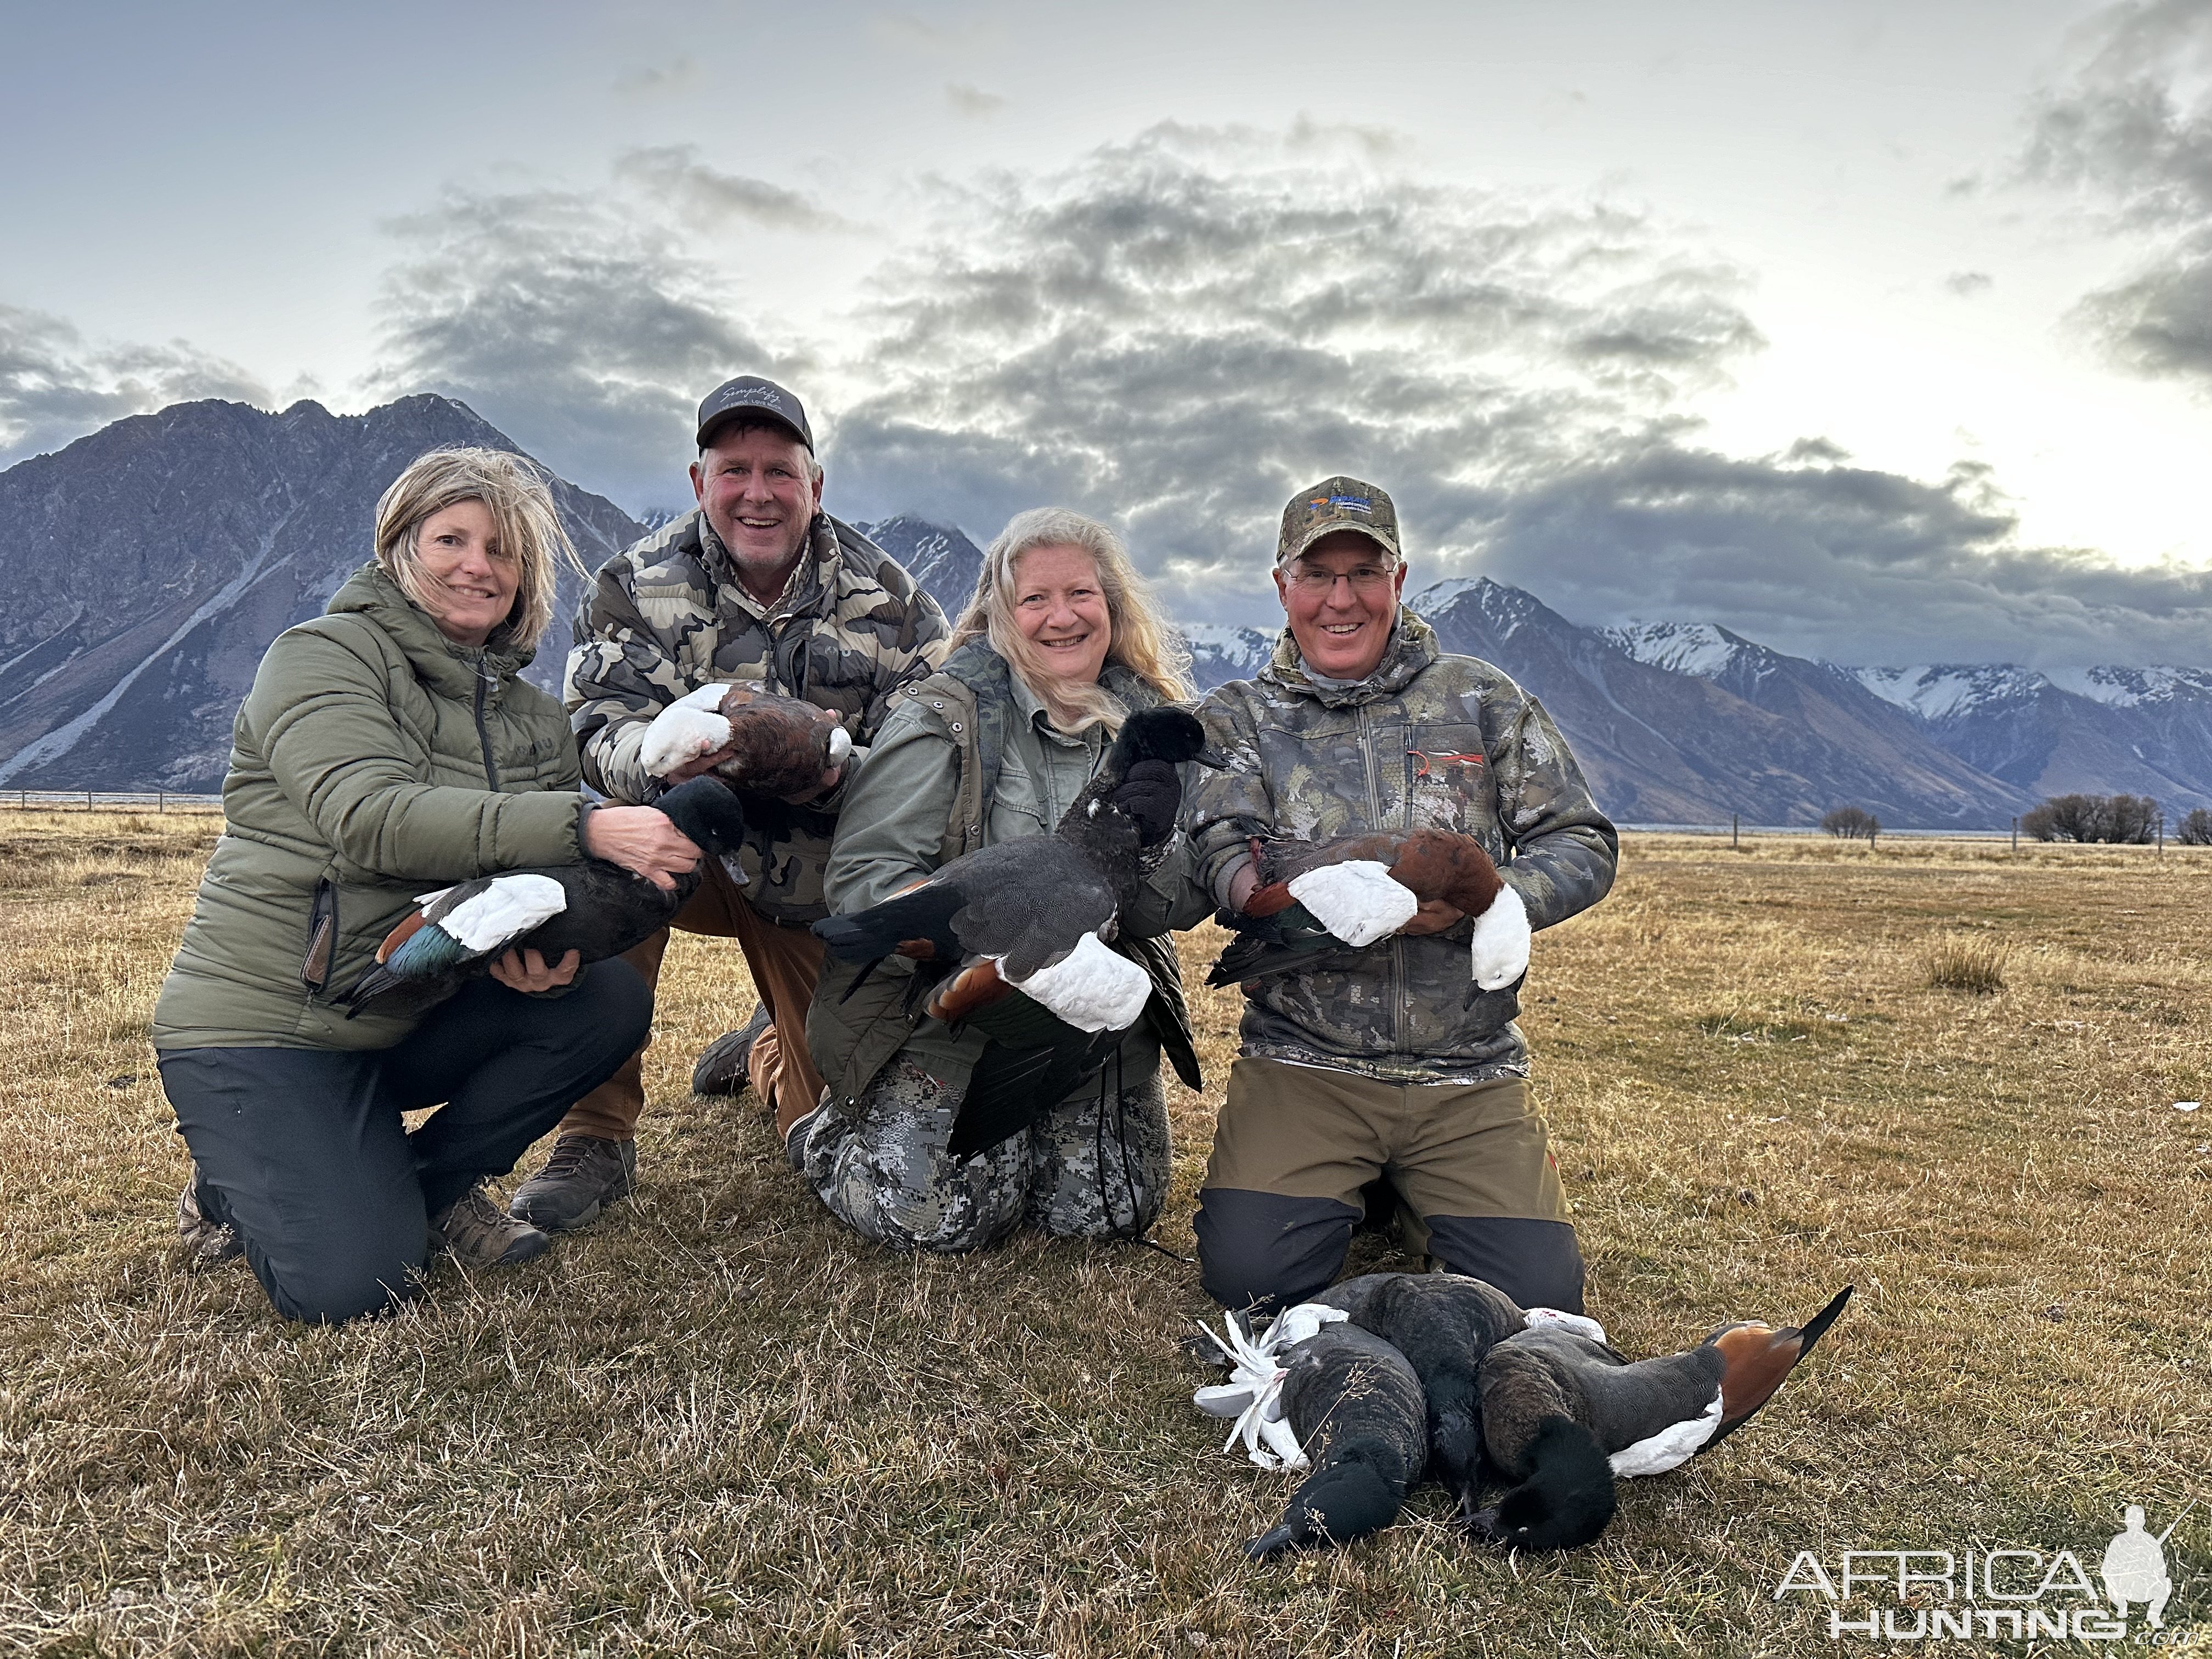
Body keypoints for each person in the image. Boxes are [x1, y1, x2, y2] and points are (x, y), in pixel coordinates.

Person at [153, 448, 697, 1323]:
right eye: (452, 538)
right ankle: (240, 1177)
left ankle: (417, 1188)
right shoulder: (322, 657)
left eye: (503, 549)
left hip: (404, 1005)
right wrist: (586, 826)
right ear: (401, 547)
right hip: (266, 1026)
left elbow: (515, 884)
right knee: (354, 1287)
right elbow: (372, 815)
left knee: (601, 1001)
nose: (478, 565)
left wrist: (528, 956)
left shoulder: (532, 718)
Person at [522, 376, 947, 1231]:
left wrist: (831, 766)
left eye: (780, 471)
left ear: (814, 485)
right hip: (685, 854)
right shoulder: (631, 585)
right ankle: (595, 1135)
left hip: (817, 878)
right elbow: (594, 726)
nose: (758, 493)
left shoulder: (894, 602)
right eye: (735, 470)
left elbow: (932, 762)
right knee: (604, 861)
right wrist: (659, 764)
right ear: (699, 480)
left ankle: (768, 1051)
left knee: (827, 1118)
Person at [1186, 476, 1617, 1314]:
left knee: (1532, 1300)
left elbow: (1582, 839)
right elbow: (1220, 844)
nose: (1340, 599)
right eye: (1317, 576)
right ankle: (1356, 1184)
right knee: (1249, 1279)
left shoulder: (1481, 699)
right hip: (1305, 1062)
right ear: (1283, 586)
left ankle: (1409, 1185)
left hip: (1467, 1068)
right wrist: (1272, 897)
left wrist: (1494, 898)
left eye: (1363, 573)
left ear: (1399, 579)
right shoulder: (1240, 717)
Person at [797, 507, 1211, 1250]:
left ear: (1112, 608)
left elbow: (1178, 903)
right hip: (948, 1015)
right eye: (1035, 599)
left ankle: (1041, 1106)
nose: (1062, 617)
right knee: (944, 1220)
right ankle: (819, 1132)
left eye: (1082, 595)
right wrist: (967, 942)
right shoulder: (944, 717)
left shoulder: (1155, 728)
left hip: (1081, 1018)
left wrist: (1148, 851)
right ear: (1001, 615)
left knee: (1108, 1214)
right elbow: (863, 876)